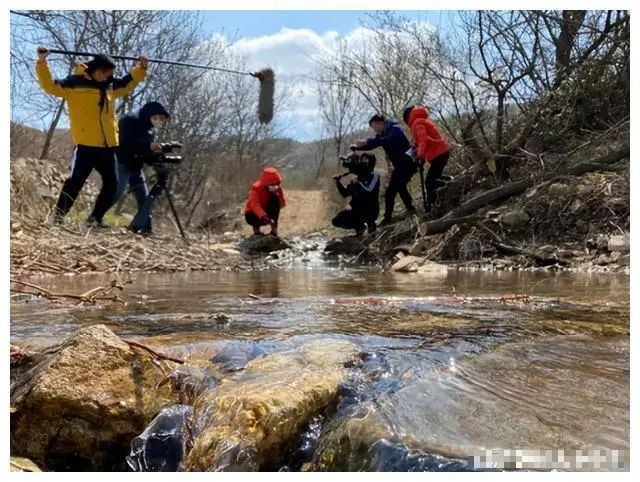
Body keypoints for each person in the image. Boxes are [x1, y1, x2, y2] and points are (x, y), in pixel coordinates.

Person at [35, 47, 148, 227]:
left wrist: (140, 68)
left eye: (110, 73)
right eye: (105, 72)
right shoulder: (74, 83)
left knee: (112, 185)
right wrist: (42, 62)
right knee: (75, 183)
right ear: (96, 69)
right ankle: (58, 218)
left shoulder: (111, 87)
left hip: (108, 146)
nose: (107, 76)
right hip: (85, 146)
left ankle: (95, 219)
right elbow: (49, 85)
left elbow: (128, 83)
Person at [112, 101, 170, 235]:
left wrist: (154, 153)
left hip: (136, 166)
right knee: (116, 193)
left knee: (144, 198)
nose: (158, 122)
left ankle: (145, 227)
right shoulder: (128, 121)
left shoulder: (150, 131)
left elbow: (144, 151)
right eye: (155, 118)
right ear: (147, 115)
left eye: (161, 119)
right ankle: (95, 218)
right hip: (121, 162)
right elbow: (125, 143)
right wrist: (147, 146)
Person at [351, 114, 417, 226]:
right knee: (400, 187)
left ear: (380, 123)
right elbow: (375, 143)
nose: (374, 130)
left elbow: (384, 140)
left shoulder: (394, 130)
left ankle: (388, 218)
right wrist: (357, 147)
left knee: (390, 192)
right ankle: (410, 209)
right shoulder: (383, 134)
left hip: (408, 164)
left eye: (374, 127)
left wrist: (366, 141)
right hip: (401, 166)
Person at [403, 105, 450, 209]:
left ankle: (433, 205)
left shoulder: (417, 122)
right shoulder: (421, 120)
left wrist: (420, 156)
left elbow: (424, 140)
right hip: (440, 152)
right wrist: (416, 145)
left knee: (429, 182)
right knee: (433, 178)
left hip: (439, 153)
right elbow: (423, 139)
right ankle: (447, 185)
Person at [332, 153, 380, 237]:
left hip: (370, 209)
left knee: (365, 214)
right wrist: (338, 183)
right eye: (361, 160)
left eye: (365, 160)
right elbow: (345, 193)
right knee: (336, 221)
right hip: (357, 209)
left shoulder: (374, 175)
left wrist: (359, 182)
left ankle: (371, 226)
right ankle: (360, 228)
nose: (362, 162)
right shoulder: (356, 179)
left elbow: (369, 189)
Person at [244, 167, 286, 237]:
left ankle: (274, 229)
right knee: (253, 213)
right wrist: (264, 216)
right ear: (266, 184)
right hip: (252, 215)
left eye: (276, 185)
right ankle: (256, 230)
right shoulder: (256, 189)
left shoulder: (277, 189)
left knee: (275, 200)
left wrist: (277, 197)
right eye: (272, 185)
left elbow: (282, 204)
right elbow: (254, 205)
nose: (274, 187)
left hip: (266, 212)